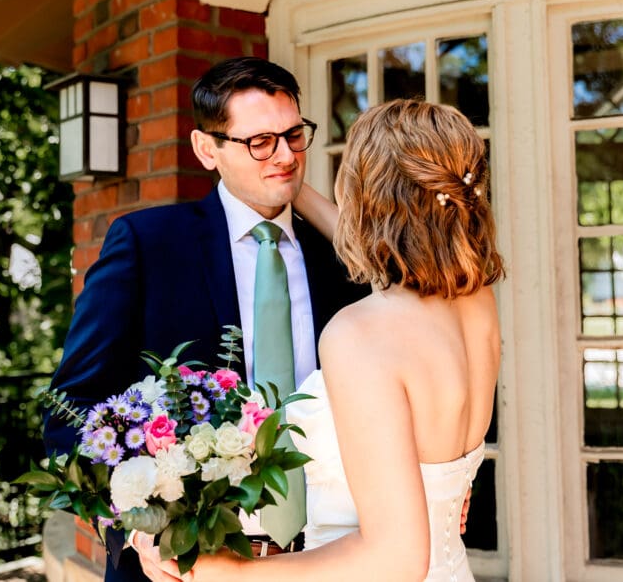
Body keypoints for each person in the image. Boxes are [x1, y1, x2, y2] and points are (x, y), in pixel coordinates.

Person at [135, 98, 505, 582]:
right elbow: (375, 255)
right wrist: (285, 181)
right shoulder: (474, 301)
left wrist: (219, 572)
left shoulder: (360, 333)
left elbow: (394, 559)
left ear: (368, 192)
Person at [43, 56, 369, 582]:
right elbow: (70, 414)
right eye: (260, 141)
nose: (284, 155)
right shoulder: (148, 246)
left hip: (332, 555)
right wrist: (140, 524)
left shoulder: (347, 259)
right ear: (206, 149)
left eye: (293, 134)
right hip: (180, 568)